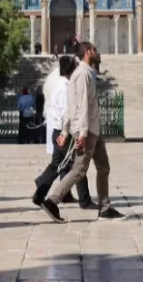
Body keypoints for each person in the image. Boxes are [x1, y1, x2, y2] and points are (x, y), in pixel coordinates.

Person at [40, 42, 122, 223]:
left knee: (103, 166)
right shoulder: (83, 74)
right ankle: (52, 200)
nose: (97, 52)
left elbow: (71, 106)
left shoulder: (81, 74)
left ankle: (105, 207)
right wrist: (82, 133)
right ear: (87, 52)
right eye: (95, 49)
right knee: (79, 169)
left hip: (93, 128)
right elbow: (81, 104)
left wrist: (66, 129)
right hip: (88, 130)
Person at [33, 55, 93, 211]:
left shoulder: (59, 85)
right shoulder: (67, 88)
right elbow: (68, 113)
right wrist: (67, 134)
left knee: (56, 165)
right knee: (78, 165)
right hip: (63, 133)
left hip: (57, 131)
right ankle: (85, 200)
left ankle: (41, 189)